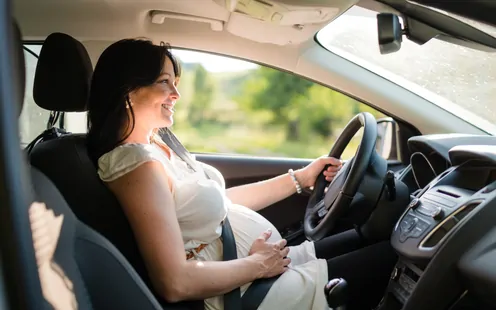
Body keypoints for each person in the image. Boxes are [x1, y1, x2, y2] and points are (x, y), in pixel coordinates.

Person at [87, 39, 343, 310]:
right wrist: (256, 265)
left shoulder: (155, 145)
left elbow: (222, 201)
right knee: (383, 259)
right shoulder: (136, 165)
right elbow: (174, 282)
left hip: (260, 273)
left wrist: (299, 179)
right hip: (247, 294)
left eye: (175, 82)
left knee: (369, 241)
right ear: (129, 91)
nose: (176, 93)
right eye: (164, 82)